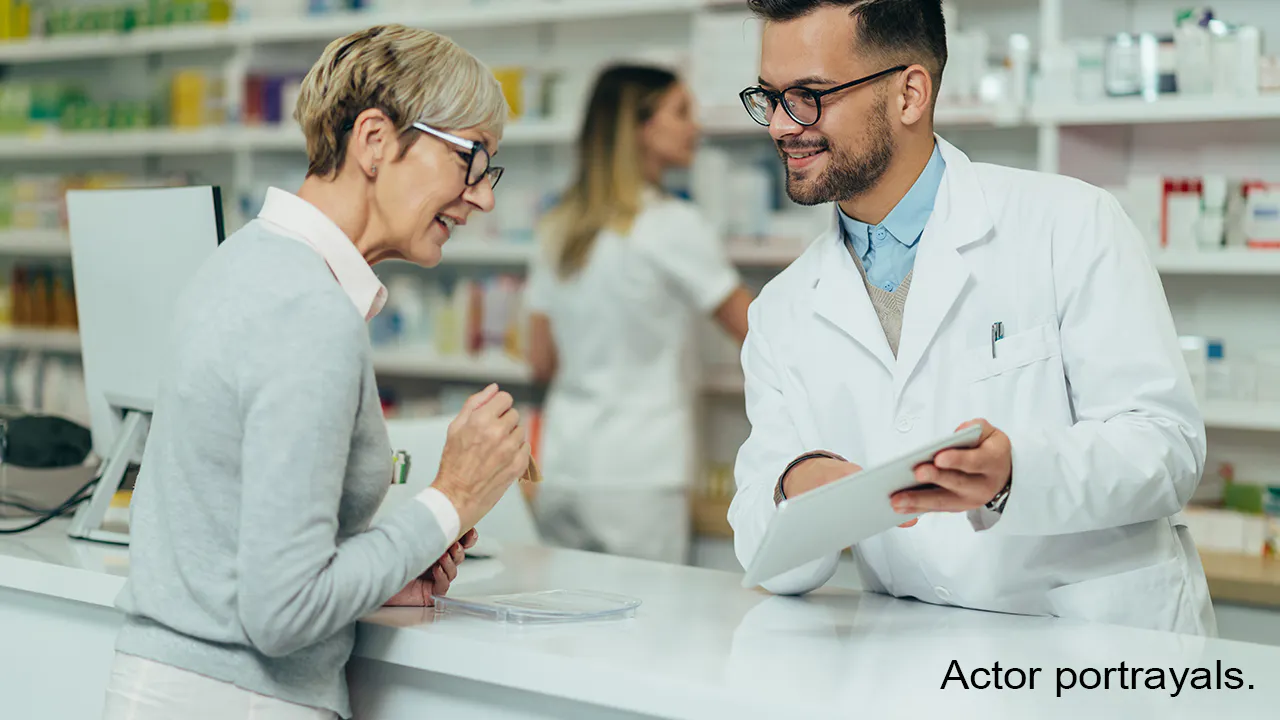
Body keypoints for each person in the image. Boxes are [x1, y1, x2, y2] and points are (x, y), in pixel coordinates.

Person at [729, 0, 1215, 636]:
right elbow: (770, 561)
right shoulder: (783, 310)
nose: (782, 126)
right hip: (917, 658)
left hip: (1096, 656)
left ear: (909, 93)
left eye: (811, 95)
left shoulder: (1069, 224)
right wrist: (797, 488)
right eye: (770, 97)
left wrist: (1014, 473)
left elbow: (1166, 447)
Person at [101, 26, 530, 720]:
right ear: (374, 140)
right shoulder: (309, 313)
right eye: (470, 159)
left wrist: (377, 573)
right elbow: (284, 613)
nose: (481, 197)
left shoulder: (246, 263)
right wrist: (450, 498)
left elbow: (247, 556)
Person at [525, 65, 753, 565]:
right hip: (640, 477)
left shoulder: (558, 226)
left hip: (563, 468)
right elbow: (757, 332)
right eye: (680, 112)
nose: (694, 126)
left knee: (564, 631)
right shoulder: (671, 224)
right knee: (643, 634)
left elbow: (539, 360)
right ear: (640, 127)